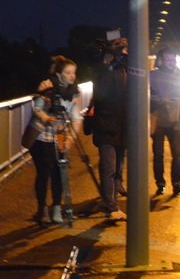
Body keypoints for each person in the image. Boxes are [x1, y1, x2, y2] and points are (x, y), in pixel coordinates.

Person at [25, 56, 84, 225]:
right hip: (42, 136)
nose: (72, 76)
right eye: (68, 73)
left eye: (74, 73)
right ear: (58, 74)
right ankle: (42, 208)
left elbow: (76, 118)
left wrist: (70, 139)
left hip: (59, 138)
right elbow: (37, 109)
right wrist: (48, 118)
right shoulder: (48, 87)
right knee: (44, 172)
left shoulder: (74, 92)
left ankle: (57, 208)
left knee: (59, 173)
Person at [89, 38, 128, 220]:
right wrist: (106, 65)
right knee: (109, 166)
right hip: (106, 125)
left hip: (123, 125)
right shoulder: (103, 71)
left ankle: (114, 193)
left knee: (118, 164)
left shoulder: (125, 69)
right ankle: (111, 207)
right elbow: (101, 94)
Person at [149, 48, 180, 196]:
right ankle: (160, 183)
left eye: (173, 60)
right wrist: (160, 100)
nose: (171, 63)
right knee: (158, 154)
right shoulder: (152, 76)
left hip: (175, 121)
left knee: (176, 154)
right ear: (161, 60)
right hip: (158, 120)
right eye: (168, 60)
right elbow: (145, 95)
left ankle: (176, 183)